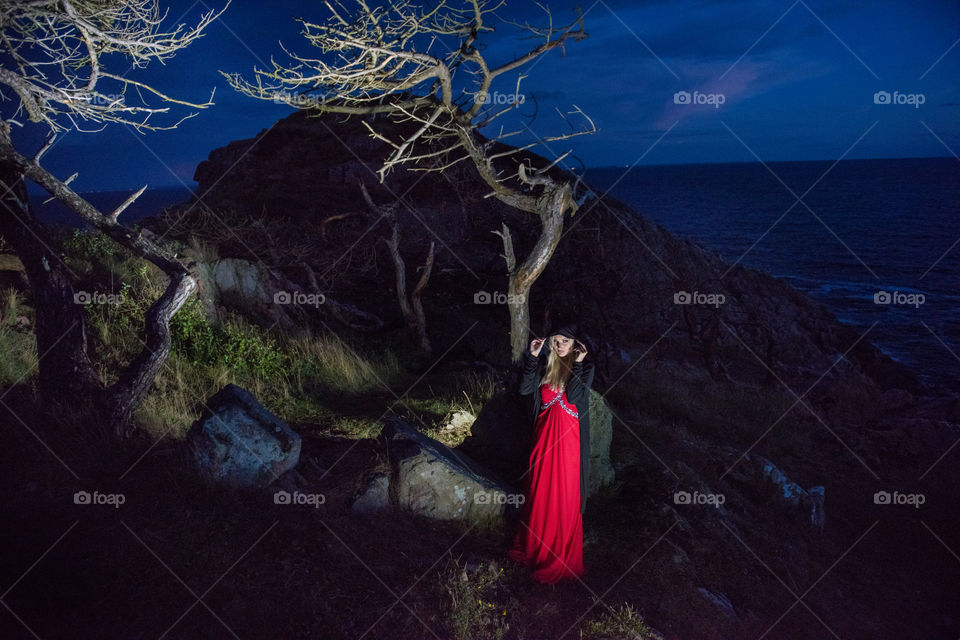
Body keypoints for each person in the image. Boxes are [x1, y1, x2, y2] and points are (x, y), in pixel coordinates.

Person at [508, 323, 595, 584]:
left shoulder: (586, 367)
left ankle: (559, 558)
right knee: (539, 492)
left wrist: (578, 362)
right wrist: (532, 358)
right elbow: (524, 390)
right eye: (556, 341)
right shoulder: (545, 363)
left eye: (565, 342)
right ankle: (535, 550)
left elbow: (576, 396)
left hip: (569, 445)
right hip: (543, 440)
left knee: (565, 497)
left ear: (575, 344)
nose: (559, 346)